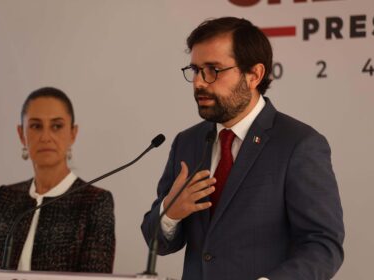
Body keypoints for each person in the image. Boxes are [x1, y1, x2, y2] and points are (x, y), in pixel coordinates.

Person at [141, 17, 344, 280]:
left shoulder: (299, 144)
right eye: (195, 70)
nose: (199, 82)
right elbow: (158, 241)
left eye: (213, 69)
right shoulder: (187, 143)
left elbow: (323, 246)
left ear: (254, 75)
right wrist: (170, 212)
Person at [0, 87, 115, 273]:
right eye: (36, 126)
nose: (45, 137)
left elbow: (95, 276)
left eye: (56, 126)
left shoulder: (95, 201)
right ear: (21, 134)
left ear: (73, 133)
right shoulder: (5, 197)